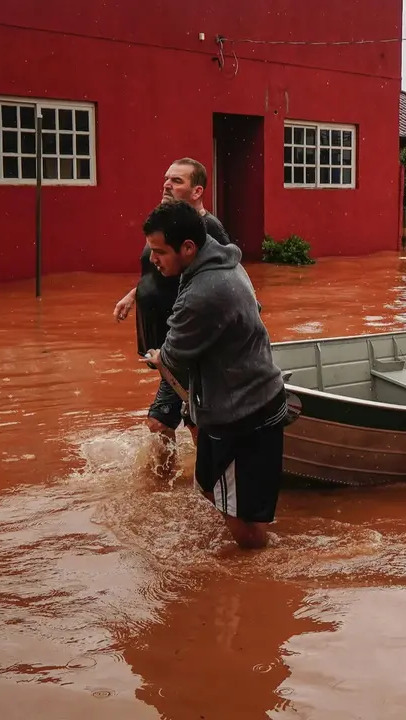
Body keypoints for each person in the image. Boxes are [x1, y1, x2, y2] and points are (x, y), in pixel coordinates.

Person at [139, 200, 288, 550]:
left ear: (188, 247)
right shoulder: (224, 261)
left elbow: (172, 356)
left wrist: (159, 355)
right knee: (208, 486)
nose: (152, 260)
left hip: (242, 415)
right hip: (244, 398)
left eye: (159, 252)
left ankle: (259, 574)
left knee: (241, 523)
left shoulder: (204, 292)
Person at [113, 158, 232, 448]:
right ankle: (196, 476)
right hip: (168, 342)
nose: (167, 184)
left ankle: (196, 481)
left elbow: (226, 276)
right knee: (190, 414)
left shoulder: (207, 229)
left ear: (197, 191)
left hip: (188, 344)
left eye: (177, 181)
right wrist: (134, 295)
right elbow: (158, 269)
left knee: (164, 420)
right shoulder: (166, 222)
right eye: (166, 178)